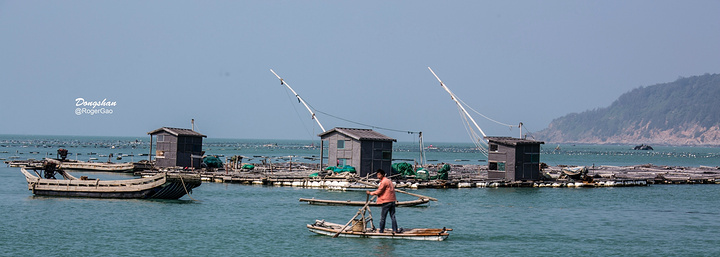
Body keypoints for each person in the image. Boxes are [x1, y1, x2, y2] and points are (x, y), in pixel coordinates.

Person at [366, 169, 400, 233]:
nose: (378, 176)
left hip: (386, 201)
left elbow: (379, 191)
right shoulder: (389, 180)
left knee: (383, 217)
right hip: (392, 200)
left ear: (382, 175)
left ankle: (381, 231)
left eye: (379, 175)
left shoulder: (384, 182)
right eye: (377, 175)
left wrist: (370, 193)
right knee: (393, 216)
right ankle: (395, 230)